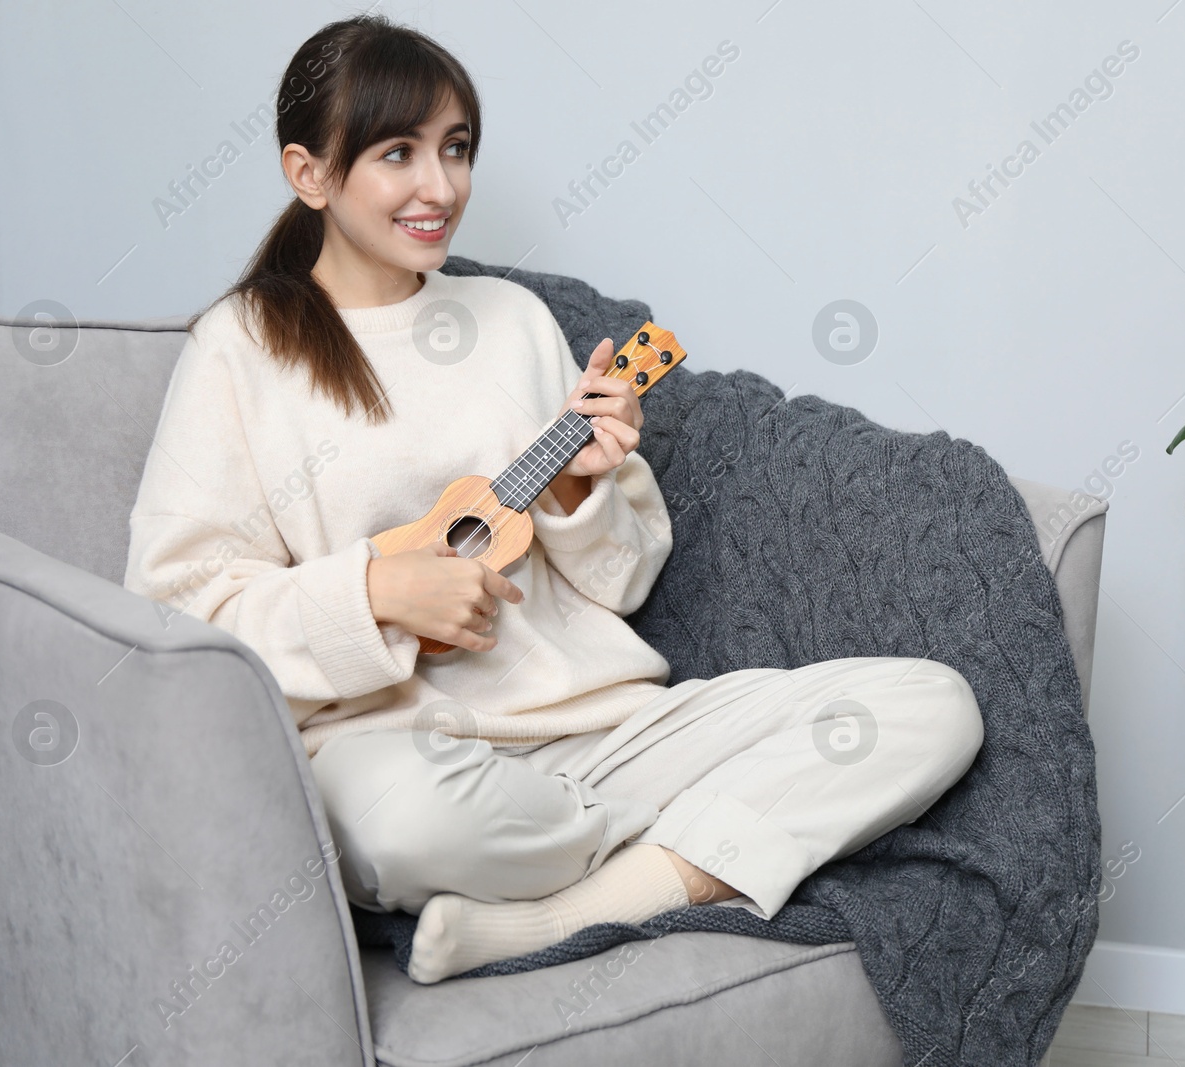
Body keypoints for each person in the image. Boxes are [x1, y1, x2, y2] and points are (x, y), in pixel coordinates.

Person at [123, 13, 985, 986]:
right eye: (397, 153)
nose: (439, 188)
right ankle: (694, 849)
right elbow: (176, 608)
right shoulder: (241, 349)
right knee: (393, 824)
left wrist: (583, 485)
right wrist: (373, 595)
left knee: (932, 705)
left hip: (608, 733)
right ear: (308, 172)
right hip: (403, 752)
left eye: (455, 149)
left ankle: (575, 907)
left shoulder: (510, 319)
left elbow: (621, 583)